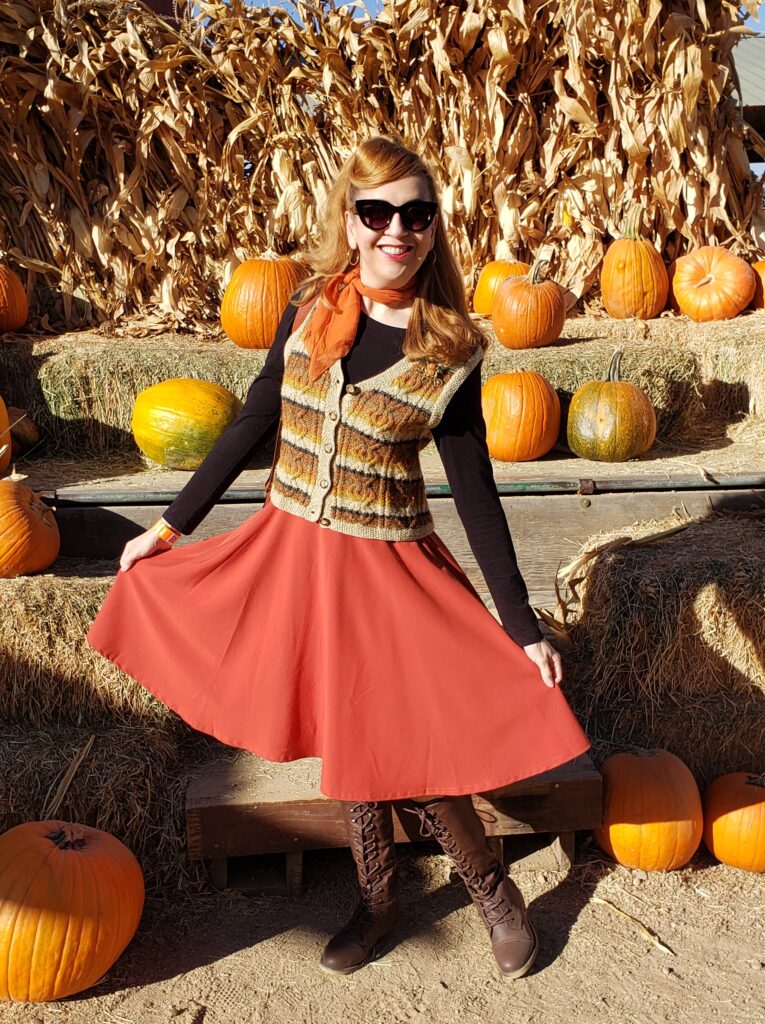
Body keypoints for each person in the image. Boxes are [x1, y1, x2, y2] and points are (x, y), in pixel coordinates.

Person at [87, 135, 590, 982]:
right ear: (351, 223)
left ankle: (491, 891)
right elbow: (252, 421)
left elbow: (474, 490)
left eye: (415, 214)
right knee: (348, 736)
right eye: (378, 212)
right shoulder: (307, 305)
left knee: (413, 740)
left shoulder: (453, 348)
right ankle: (377, 898)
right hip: (296, 556)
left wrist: (519, 620)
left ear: (433, 230)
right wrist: (169, 527)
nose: (397, 229)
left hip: (390, 567)